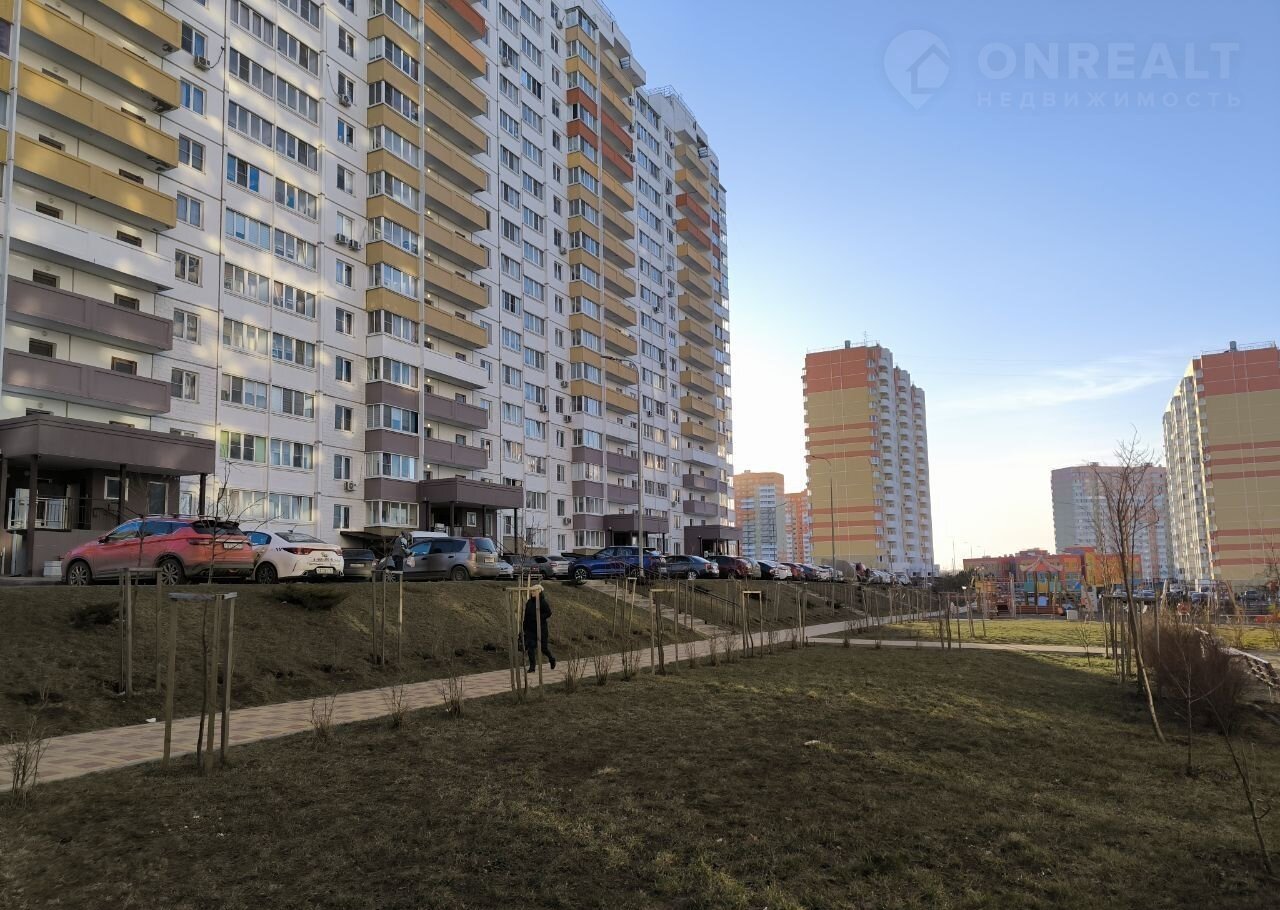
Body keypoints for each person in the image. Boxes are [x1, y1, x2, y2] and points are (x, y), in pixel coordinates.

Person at [523, 591, 555, 672]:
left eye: (534, 591)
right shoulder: (529, 602)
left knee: (543, 648)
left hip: (541, 629)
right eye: (532, 591)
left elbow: (548, 613)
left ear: (539, 592)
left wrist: (539, 617)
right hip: (530, 629)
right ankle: (532, 667)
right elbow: (526, 615)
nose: (532, 592)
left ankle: (551, 659)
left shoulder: (542, 602)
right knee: (530, 647)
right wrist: (524, 627)